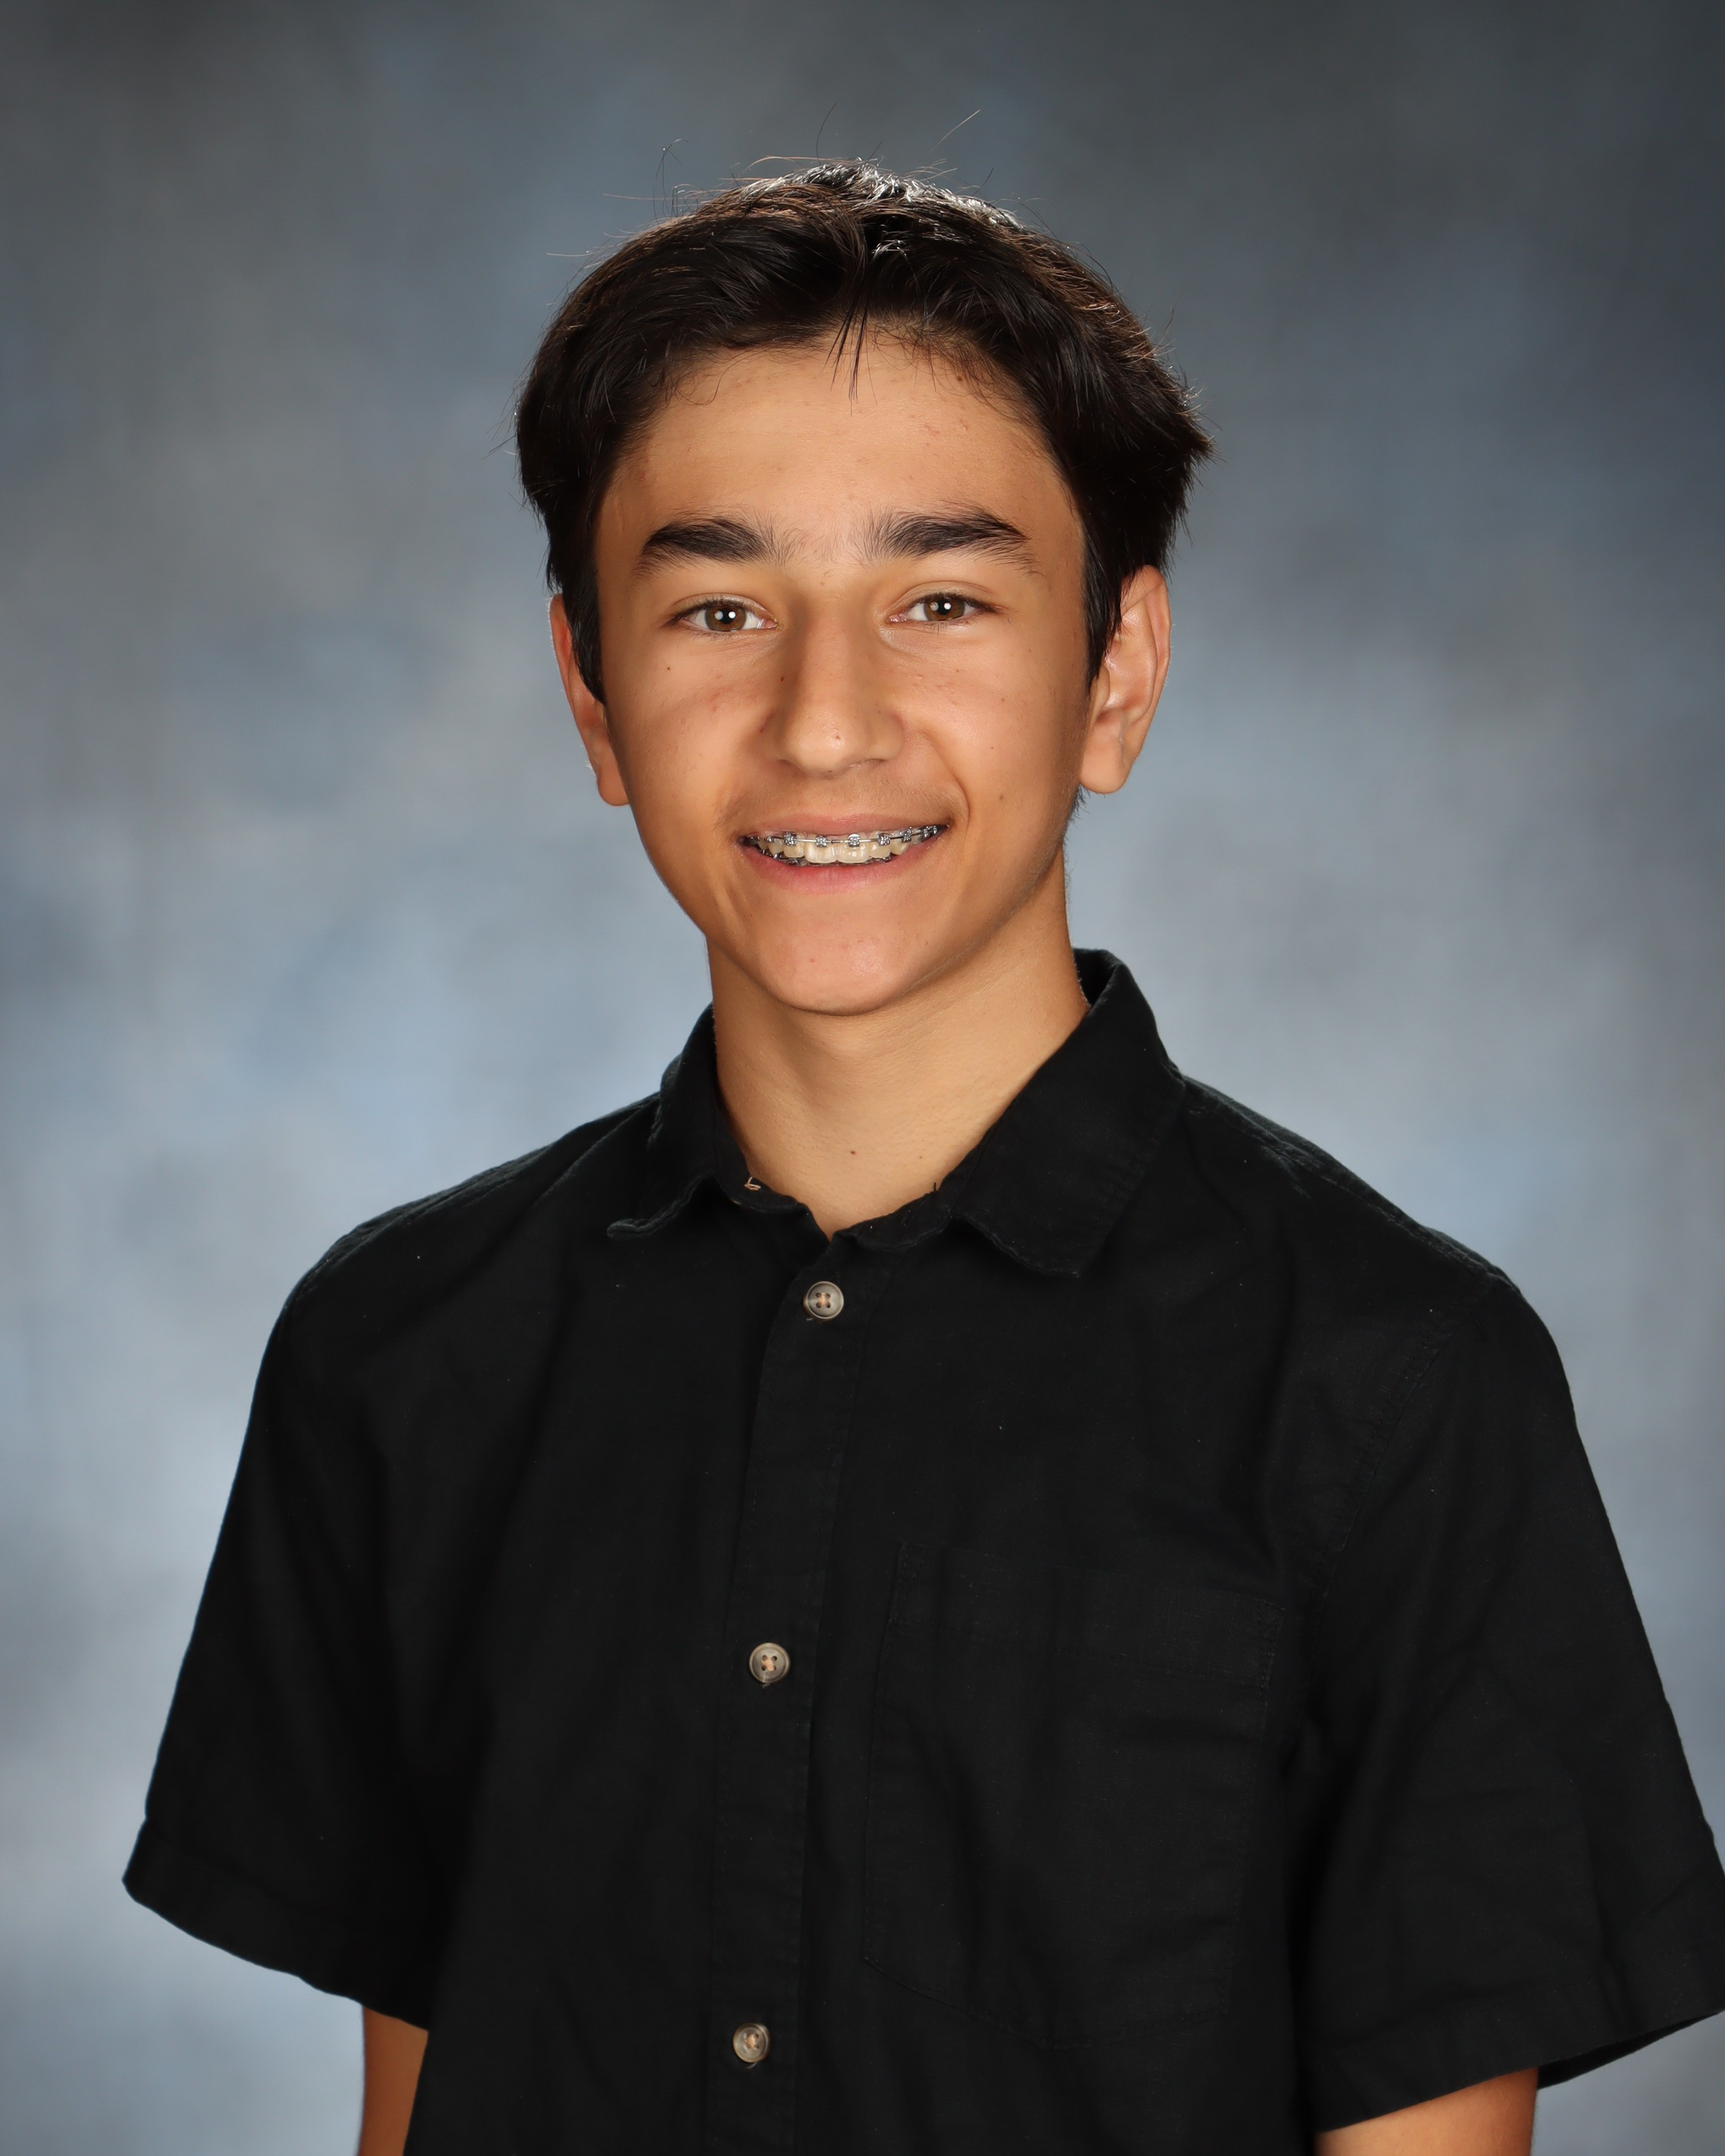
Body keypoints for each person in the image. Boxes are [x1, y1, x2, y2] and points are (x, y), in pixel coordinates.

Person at [125, 164, 1725, 2156]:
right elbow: (423, 2102)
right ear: (593, 696)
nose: (824, 723)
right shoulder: (398, 1353)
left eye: (942, 602)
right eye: (719, 609)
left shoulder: (1396, 1384)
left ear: (1116, 674)